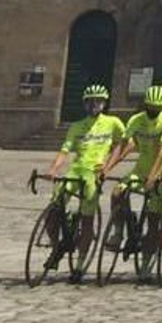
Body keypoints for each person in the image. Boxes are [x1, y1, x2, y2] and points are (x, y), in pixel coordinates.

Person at [44, 84, 126, 281]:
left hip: (93, 173)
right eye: (90, 101)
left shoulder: (113, 122)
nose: (94, 105)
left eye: (98, 101)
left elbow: (121, 144)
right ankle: (56, 247)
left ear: (104, 103)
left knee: (87, 218)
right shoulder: (76, 126)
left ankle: (80, 263)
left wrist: (107, 166)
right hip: (76, 169)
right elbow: (65, 150)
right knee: (53, 210)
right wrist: (54, 169)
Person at [100, 84, 162, 254]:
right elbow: (122, 145)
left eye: (158, 108)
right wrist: (106, 168)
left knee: (152, 218)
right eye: (150, 107)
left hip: (159, 168)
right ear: (145, 104)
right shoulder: (136, 119)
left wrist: (153, 176)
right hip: (140, 168)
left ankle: (146, 264)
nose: (153, 111)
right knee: (117, 193)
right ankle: (119, 232)